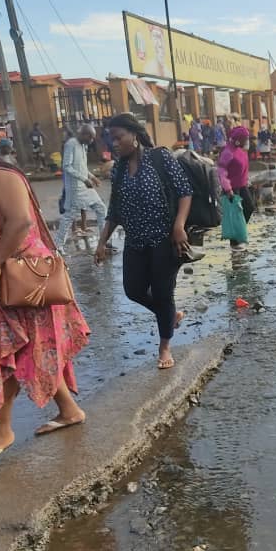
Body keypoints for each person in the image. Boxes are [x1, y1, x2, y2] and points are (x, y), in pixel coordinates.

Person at [0, 127, 90, 462]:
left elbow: (21, 222)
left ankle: (2, 430)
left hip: (17, 278)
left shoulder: (1, 177)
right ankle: (69, 410)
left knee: (6, 350)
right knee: (29, 347)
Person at [94, 113, 191, 370]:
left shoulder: (160, 157)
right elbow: (115, 208)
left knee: (162, 292)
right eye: (112, 139)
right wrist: (102, 242)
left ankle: (164, 346)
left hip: (163, 240)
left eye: (119, 138)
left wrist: (179, 226)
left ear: (134, 135)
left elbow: (184, 191)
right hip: (135, 242)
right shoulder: (118, 169)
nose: (114, 144)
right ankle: (170, 315)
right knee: (133, 290)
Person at [57, 124, 107, 250]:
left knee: (101, 208)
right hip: (75, 188)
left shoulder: (83, 146)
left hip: (85, 186)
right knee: (69, 216)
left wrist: (92, 177)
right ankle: (58, 246)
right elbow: (67, 166)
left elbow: (82, 167)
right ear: (84, 134)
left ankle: (104, 242)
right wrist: (84, 179)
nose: (92, 140)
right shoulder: (71, 144)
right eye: (90, 137)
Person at [218, 126, 255, 249]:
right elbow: (221, 171)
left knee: (249, 207)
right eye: (245, 138)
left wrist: (246, 180)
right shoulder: (227, 152)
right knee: (235, 213)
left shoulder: (240, 151)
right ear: (238, 140)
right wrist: (227, 189)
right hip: (232, 188)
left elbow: (243, 167)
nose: (247, 141)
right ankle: (234, 242)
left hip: (242, 185)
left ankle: (239, 232)